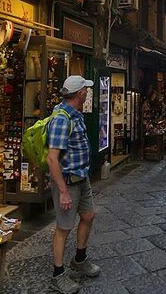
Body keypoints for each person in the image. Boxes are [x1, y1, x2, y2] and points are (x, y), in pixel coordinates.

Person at [47, 76, 100, 294]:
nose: (88, 92)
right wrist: (63, 192)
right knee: (63, 228)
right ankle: (57, 275)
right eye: (86, 89)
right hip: (67, 183)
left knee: (88, 216)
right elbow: (52, 159)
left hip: (81, 177)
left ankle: (79, 260)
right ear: (79, 94)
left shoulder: (75, 115)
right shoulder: (61, 119)